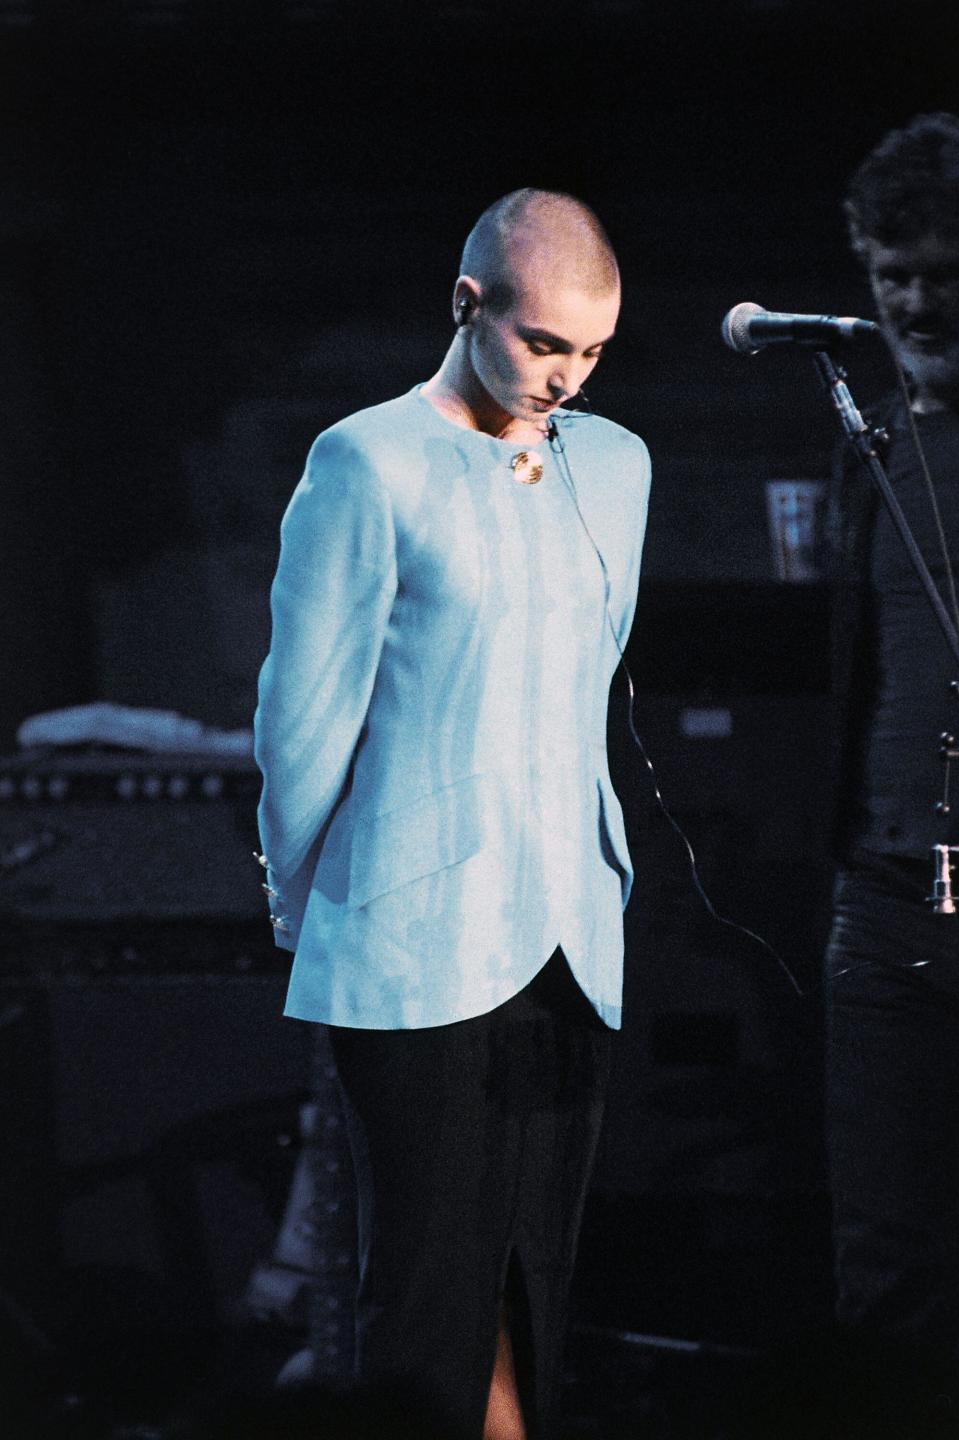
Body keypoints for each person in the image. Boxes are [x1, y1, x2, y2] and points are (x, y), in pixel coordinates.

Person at [253, 189, 651, 1439]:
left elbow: (593, 675)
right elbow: (304, 712)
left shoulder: (621, 464)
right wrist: (302, 905)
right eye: (546, 345)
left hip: (569, 928)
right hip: (413, 933)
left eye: (592, 353)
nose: (568, 380)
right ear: (469, 305)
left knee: (542, 1285)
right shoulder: (366, 459)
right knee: (426, 1298)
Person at [824, 113, 959, 1436]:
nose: (916, 299)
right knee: (886, 1272)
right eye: (893, 273)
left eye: (944, 270)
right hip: (883, 908)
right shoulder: (871, 444)